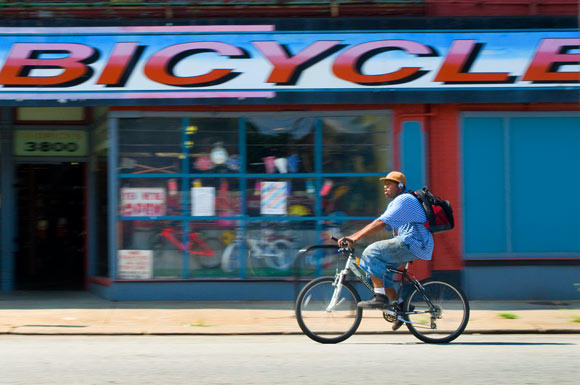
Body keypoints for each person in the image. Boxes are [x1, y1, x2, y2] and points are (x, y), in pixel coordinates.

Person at [337, 171, 433, 329]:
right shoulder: (396, 203)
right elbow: (380, 225)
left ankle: (380, 298)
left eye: (389, 184)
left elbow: (381, 222)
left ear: (400, 186)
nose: (385, 187)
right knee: (381, 276)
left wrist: (355, 238)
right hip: (409, 243)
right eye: (384, 185)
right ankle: (402, 308)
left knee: (371, 252)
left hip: (414, 243)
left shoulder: (405, 200)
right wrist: (353, 236)